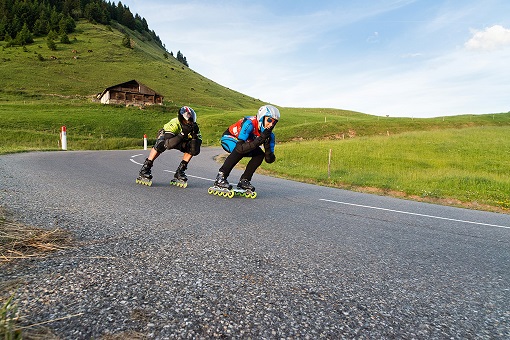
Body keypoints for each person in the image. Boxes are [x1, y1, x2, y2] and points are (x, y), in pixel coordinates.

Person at [214, 104, 280, 191]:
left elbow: (269, 160)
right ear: (261, 117)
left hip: (245, 143)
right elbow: (240, 147)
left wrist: (267, 147)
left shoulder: (270, 135)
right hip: (230, 137)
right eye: (269, 120)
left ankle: (244, 180)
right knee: (242, 150)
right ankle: (221, 177)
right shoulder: (249, 123)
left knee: (260, 155)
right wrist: (261, 139)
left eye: (274, 122)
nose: (271, 124)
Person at [138, 106, 202, 183]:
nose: (189, 123)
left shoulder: (195, 128)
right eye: (187, 121)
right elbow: (168, 144)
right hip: (167, 137)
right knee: (160, 145)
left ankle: (180, 171)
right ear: (181, 118)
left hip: (181, 140)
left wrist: (194, 136)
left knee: (192, 147)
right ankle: (146, 168)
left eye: (191, 121)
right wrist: (183, 133)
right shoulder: (175, 122)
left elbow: (196, 150)